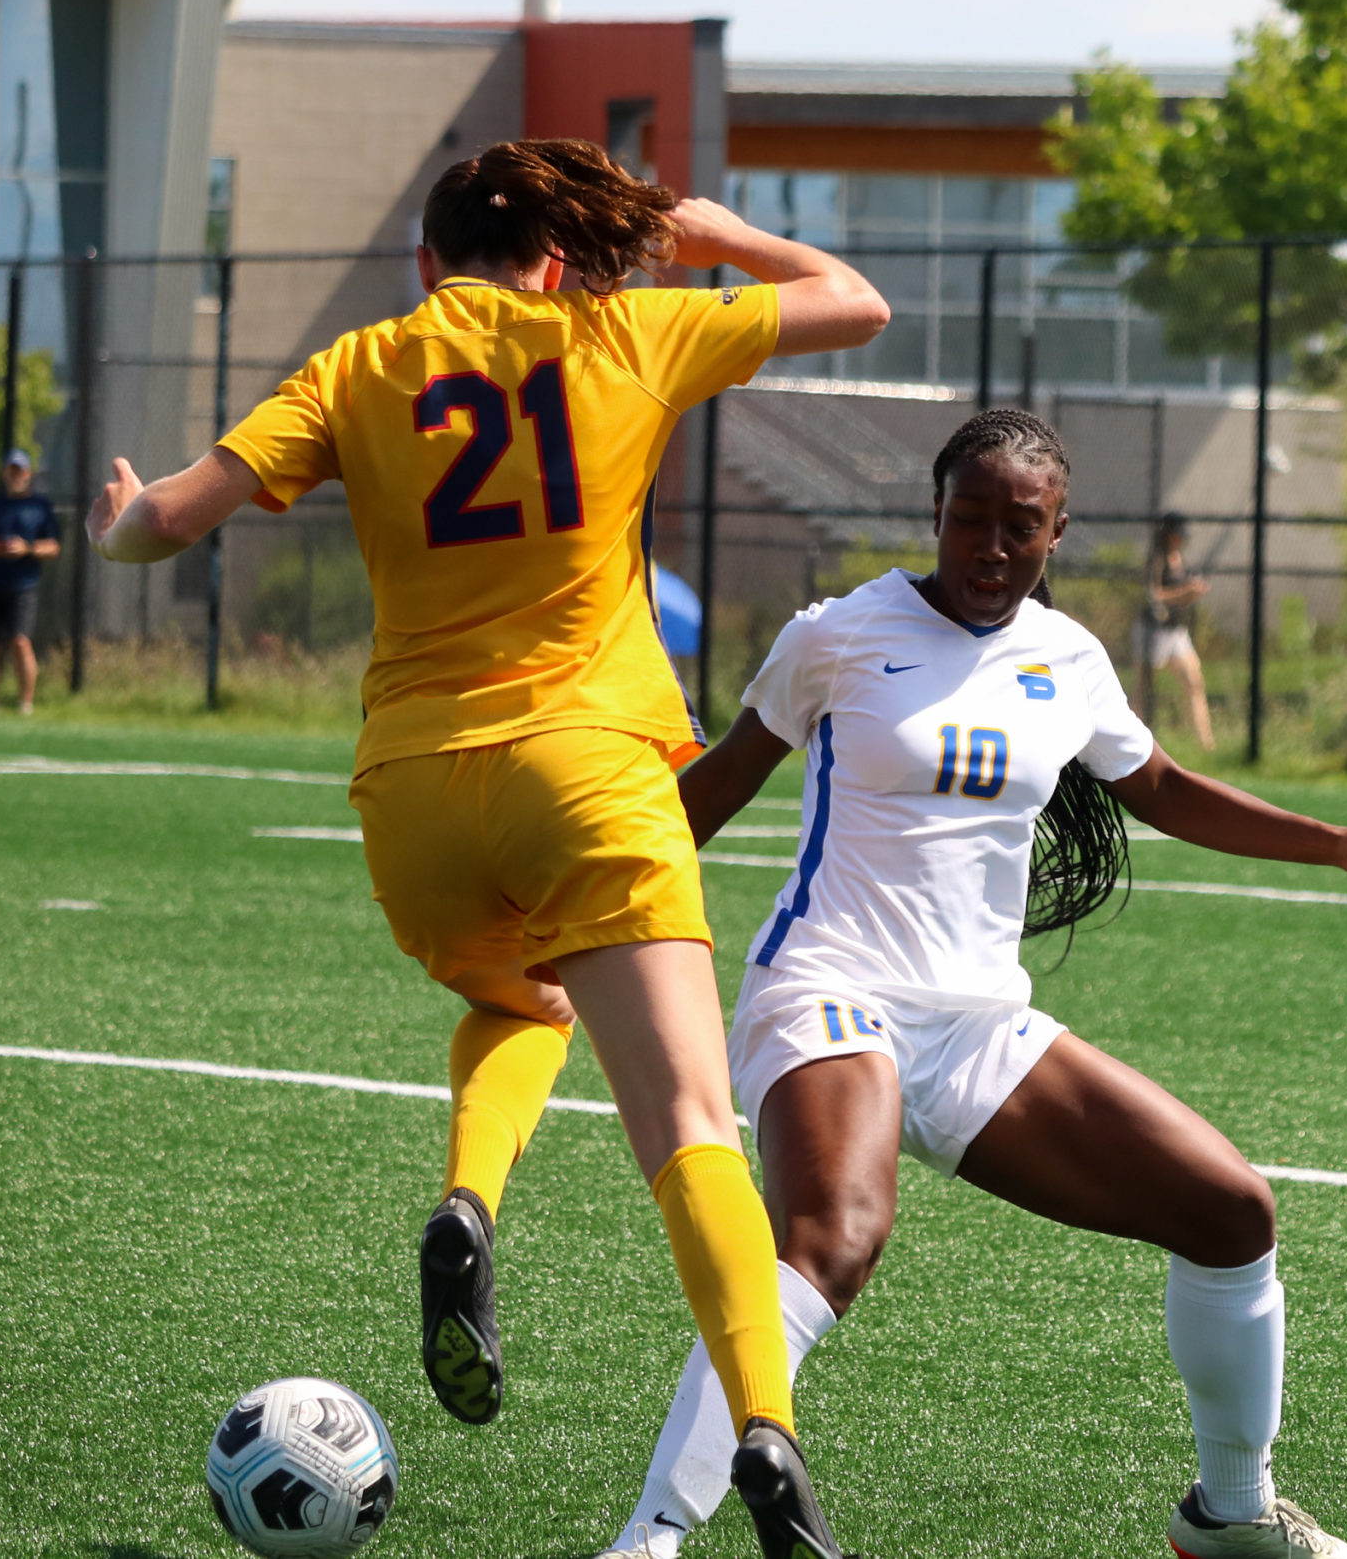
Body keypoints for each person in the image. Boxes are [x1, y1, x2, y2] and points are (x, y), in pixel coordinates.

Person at [86, 138, 891, 1559]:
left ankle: (470, 1194)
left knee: (520, 996)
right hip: (591, 767)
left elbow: (167, 522)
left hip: (412, 787)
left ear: (426, 264)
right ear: (562, 259)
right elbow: (856, 303)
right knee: (695, 1126)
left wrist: (120, 525)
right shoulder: (630, 327)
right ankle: (767, 1423)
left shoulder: (357, 364)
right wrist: (714, 238)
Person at [596, 410, 1347, 1559]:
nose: (990, 544)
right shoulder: (838, 634)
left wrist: (1341, 843)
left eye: (1020, 525)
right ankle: (651, 1539)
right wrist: (586, 918)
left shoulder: (1068, 659)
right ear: (935, 514)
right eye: (969, 517)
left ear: (1058, 535)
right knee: (833, 1237)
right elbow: (713, 791)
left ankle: (1231, 1518)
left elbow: (1162, 788)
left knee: (1230, 1212)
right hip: (828, 988)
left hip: (976, 1026)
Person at [0, 448, 62, 713]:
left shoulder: (39, 507)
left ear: (28, 474)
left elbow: (53, 547)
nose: (15, 475)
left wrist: (26, 548)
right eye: (11, 470)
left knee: (20, 641)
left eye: (19, 470)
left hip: (23, 586)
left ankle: (25, 704)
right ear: (4, 473)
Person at [1143, 511, 1214, 750]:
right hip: (1154, 632)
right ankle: (1130, 745)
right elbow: (1154, 595)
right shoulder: (1157, 558)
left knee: (1194, 683)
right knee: (1143, 691)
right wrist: (1184, 592)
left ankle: (1206, 745)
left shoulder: (1179, 558)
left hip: (1177, 632)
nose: (1182, 539)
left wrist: (1192, 593)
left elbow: (1178, 596)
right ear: (1169, 534)